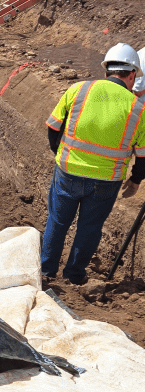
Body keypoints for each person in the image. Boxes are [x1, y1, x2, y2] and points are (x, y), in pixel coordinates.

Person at [41, 43, 145, 285]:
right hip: (107, 181)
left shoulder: (78, 90)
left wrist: (59, 152)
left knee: (57, 221)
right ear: (131, 75)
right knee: (90, 228)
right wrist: (136, 180)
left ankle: (46, 271)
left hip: (68, 172)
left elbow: (53, 126)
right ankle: (74, 275)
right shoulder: (138, 109)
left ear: (106, 71)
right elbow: (142, 156)